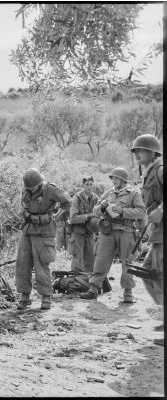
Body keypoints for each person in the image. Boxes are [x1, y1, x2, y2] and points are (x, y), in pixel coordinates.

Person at [80, 167, 146, 302]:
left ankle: (128, 292)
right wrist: (102, 206)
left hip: (126, 231)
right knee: (101, 259)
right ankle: (93, 289)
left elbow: (141, 212)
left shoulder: (133, 193)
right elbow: (95, 211)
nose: (113, 180)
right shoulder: (108, 192)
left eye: (116, 178)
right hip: (108, 231)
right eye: (112, 178)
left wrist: (123, 211)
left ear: (123, 180)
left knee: (127, 262)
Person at [15, 168, 71, 310]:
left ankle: (46, 296)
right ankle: (25, 296)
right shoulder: (25, 190)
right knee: (22, 262)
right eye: (30, 187)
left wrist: (57, 215)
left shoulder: (50, 189)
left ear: (40, 183)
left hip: (44, 230)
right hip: (28, 229)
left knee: (41, 263)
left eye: (34, 187)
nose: (32, 189)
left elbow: (67, 201)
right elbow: (23, 205)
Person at [130, 134, 163, 344]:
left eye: (140, 151)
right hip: (157, 234)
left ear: (151, 152)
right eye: (135, 151)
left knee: (160, 278)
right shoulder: (149, 173)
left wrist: (161, 209)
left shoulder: (160, 170)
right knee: (148, 274)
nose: (137, 155)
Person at [69, 176, 99, 274]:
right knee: (77, 262)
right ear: (83, 185)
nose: (89, 187)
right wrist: (88, 216)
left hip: (90, 234)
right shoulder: (77, 198)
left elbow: (99, 214)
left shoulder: (95, 198)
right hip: (78, 234)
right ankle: (75, 282)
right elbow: (73, 218)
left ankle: (88, 282)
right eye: (87, 184)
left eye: (91, 184)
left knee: (91, 262)